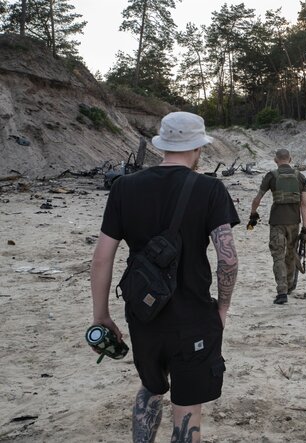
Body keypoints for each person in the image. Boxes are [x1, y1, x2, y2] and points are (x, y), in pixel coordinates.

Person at [90, 112, 240, 443]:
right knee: (187, 409)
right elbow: (228, 259)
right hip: (194, 317)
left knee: (150, 388)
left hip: (143, 314)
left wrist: (101, 315)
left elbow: (102, 258)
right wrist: (223, 309)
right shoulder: (210, 189)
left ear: (162, 145)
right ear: (198, 148)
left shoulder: (124, 187)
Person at [249, 148, 306, 305]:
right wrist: (305, 227)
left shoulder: (271, 176)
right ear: (290, 159)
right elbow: (304, 204)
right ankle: (288, 286)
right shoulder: (300, 177)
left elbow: (257, 199)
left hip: (276, 222)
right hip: (294, 222)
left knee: (278, 256)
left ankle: (281, 291)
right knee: (290, 254)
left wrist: (253, 214)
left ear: (276, 160)